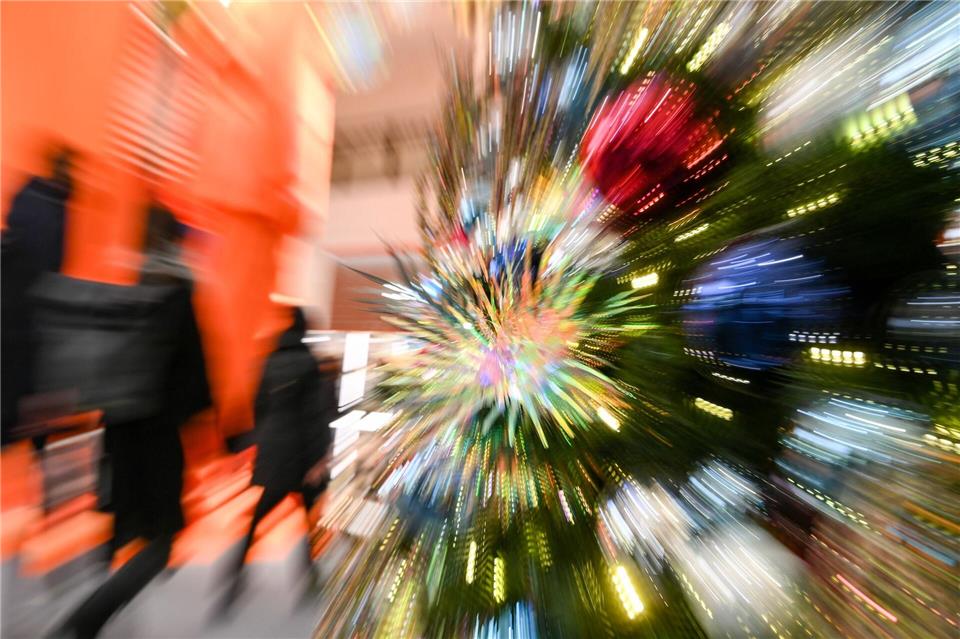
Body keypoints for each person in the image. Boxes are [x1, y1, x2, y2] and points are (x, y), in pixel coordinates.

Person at [50, 206, 210, 639]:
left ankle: (94, 599)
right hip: (158, 437)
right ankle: (87, 619)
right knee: (162, 542)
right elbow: (195, 382)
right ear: (174, 241)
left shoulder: (128, 287)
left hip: (119, 435)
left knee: (124, 525)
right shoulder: (178, 294)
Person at [219, 305, 336, 610]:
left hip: (274, 454)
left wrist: (264, 445)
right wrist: (319, 458)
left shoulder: (270, 361)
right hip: (301, 458)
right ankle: (309, 582)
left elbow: (258, 407)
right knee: (307, 522)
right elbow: (314, 415)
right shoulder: (308, 364)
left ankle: (233, 579)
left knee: (259, 518)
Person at [1, 147, 75, 446]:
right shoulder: (53, 208)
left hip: (18, 303)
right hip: (30, 307)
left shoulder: (35, 198)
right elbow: (53, 263)